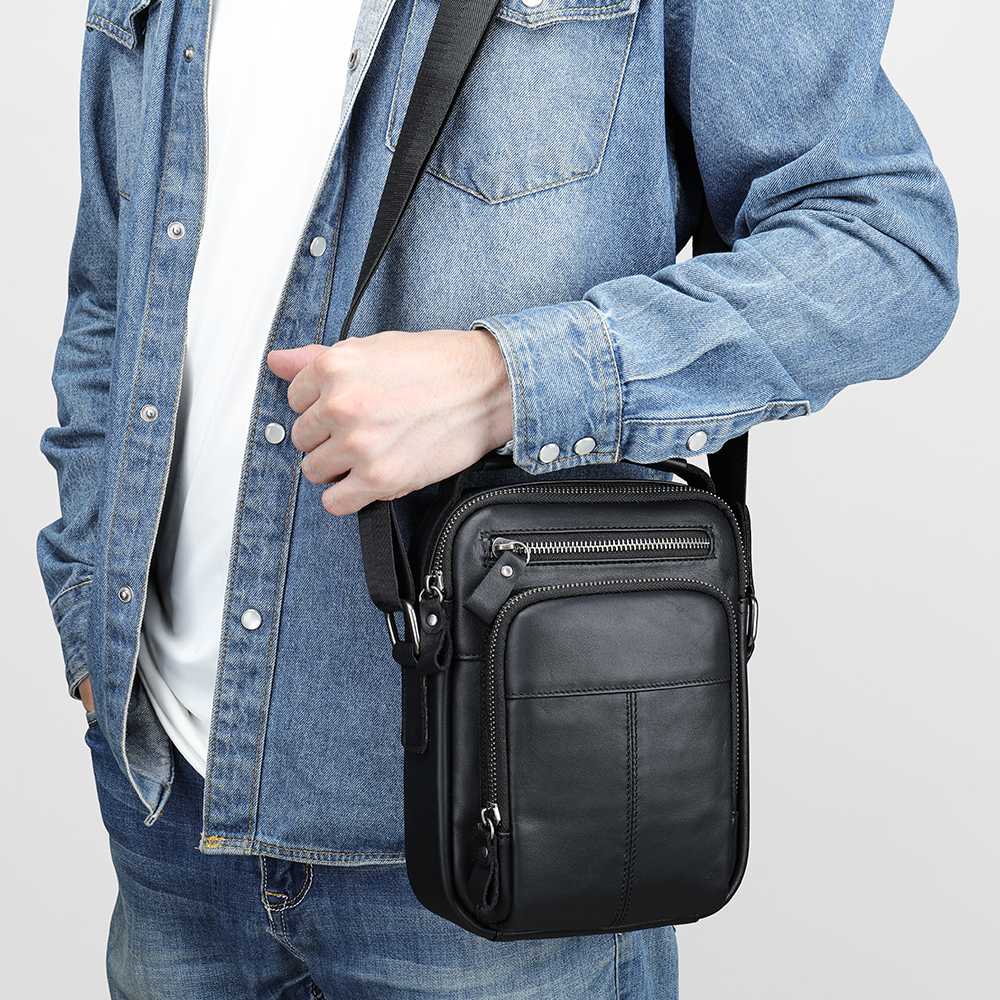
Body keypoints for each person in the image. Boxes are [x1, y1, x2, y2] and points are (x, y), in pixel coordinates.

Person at [39, 1, 957, 997]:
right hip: (162, 799)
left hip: (500, 825)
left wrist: (508, 381)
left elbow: (882, 245)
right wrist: (88, 616)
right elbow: (111, 283)